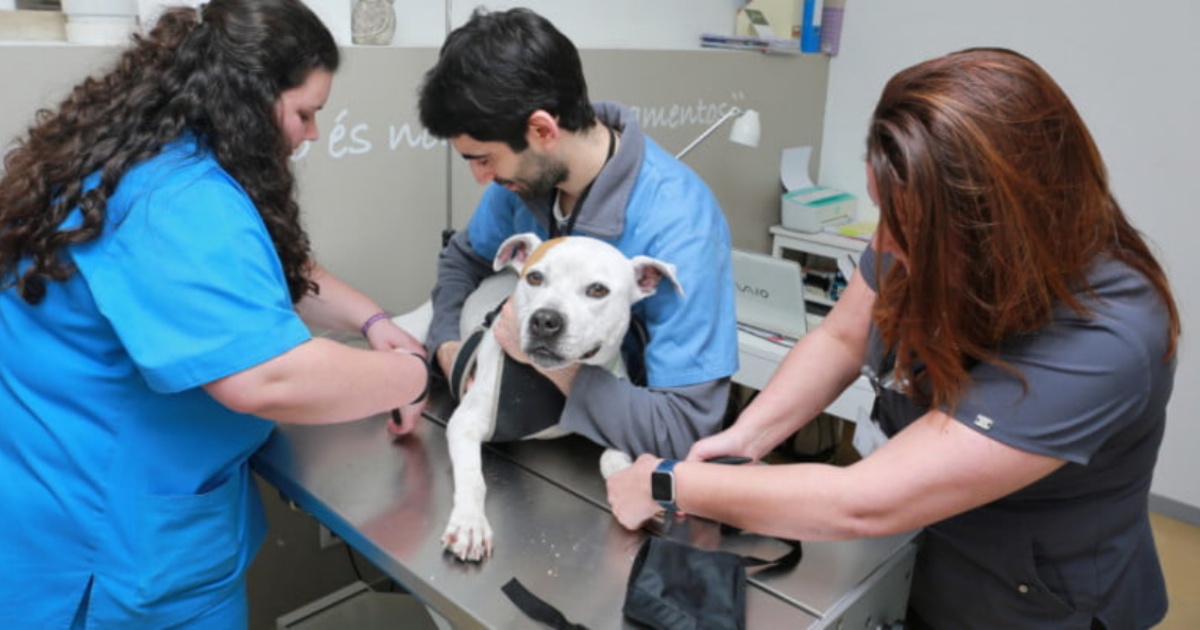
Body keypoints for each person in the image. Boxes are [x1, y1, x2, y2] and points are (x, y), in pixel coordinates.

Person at [607, 48, 1178, 629]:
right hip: (918, 557)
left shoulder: (1107, 338)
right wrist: (744, 439)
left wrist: (675, 482)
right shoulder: (919, 230)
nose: (886, 249)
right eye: (884, 215)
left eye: (910, 233)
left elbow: (864, 501)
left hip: (1030, 600)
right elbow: (841, 338)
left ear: (998, 227)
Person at [0, 1, 431, 627]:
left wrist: (370, 319)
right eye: (305, 113)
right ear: (250, 98)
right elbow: (266, 377)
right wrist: (411, 374)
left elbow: (252, 274)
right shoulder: (176, 197)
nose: (311, 134)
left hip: (45, 496)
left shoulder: (135, 156)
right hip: (111, 549)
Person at [416, 8, 739, 459]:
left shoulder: (680, 223)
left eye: (484, 158)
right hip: (522, 437)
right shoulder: (525, 183)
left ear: (543, 129)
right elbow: (462, 258)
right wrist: (448, 345)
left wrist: (550, 364)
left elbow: (683, 429)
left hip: (619, 460)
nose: (480, 177)